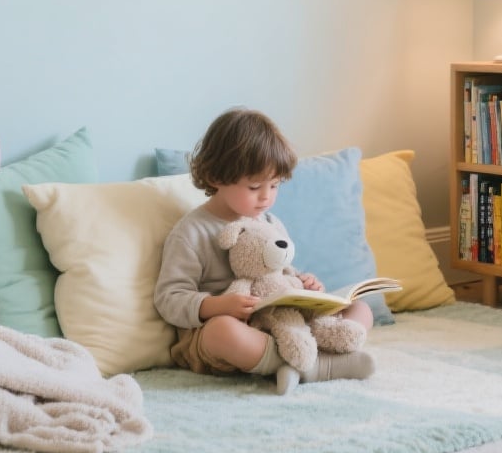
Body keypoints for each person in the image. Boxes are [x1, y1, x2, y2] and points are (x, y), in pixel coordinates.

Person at [154, 107, 375, 394]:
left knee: (360, 309)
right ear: (215, 177)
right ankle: (316, 365)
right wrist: (218, 305)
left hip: (280, 322)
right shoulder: (191, 232)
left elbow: (281, 273)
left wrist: (305, 283)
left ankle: (296, 359)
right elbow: (169, 298)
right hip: (226, 330)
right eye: (255, 186)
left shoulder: (270, 222)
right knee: (223, 332)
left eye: (275, 185)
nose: (266, 197)